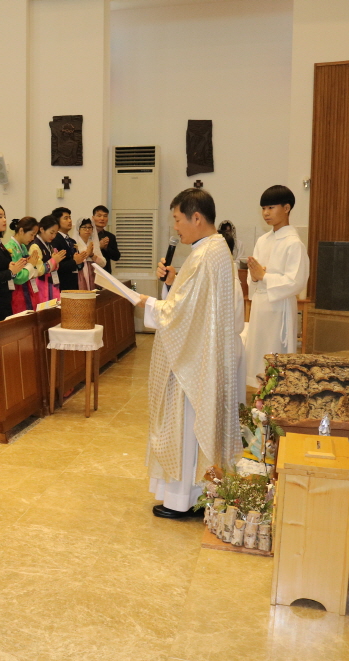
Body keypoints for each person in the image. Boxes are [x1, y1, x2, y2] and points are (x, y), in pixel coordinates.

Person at [136, 188, 243, 519]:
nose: (176, 228)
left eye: (178, 220)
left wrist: (147, 303)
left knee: (185, 423)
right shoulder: (213, 250)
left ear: (197, 218)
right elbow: (195, 303)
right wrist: (171, 282)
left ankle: (181, 499)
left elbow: (180, 313)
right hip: (202, 353)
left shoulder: (204, 254)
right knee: (194, 425)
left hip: (194, 360)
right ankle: (194, 494)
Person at [244, 185, 309, 387]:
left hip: (279, 308)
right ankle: (258, 398)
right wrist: (255, 278)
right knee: (256, 355)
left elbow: (296, 281)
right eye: (263, 208)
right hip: (260, 308)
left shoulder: (293, 243)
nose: (265, 213)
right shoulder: (263, 241)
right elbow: (252, 276)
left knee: (275, 356)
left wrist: (265, 277)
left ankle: (276, 398)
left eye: (271, 207)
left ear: (287, 208)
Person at [4, 216, 40, 313]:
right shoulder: (10, 248)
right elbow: (18, 278)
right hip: (17, 292)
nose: (32, 238)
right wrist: (31, 265)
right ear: (21, 231)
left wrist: (30, 263)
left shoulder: (23, 247)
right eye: (31, 234)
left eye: (34, 235)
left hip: (26, 290)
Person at [29, 215, 65, 303]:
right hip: (41, 286)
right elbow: (38, 270)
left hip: (50, 284)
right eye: (51, 232)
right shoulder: (35, 245)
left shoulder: (49, 244)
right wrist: (54, 260)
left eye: (56, 233)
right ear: (41, 229)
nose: (53, 236)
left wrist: (56, 260)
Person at [50, 206, 87, 291]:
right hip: (61, 284)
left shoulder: (72, 241)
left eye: (70, 218)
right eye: (66, 218)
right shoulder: (55, 239)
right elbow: (57, 265)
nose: (70, 221)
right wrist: (74, 261)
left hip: (73, 283)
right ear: (57, 221)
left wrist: (80, 261)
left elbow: (77, 265)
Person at [74, 218, 107, 289]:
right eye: (84, 227)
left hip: (93, 273)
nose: (87, 230)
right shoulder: (74, 242)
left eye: (89, 227)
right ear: (79, 229)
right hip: (80, 273)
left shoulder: (93, 243)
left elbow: (103, 263)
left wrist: (92, 255)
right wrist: (86, 254)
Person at [91, 205, 121, 273]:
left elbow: (116, 256)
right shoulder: (87, 234)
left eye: (105, 216)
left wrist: (106, 248)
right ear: (93, 218)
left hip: (105, 272)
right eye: (99, 216)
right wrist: (99, 246)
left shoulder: (110, 236)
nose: (102, 218)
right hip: (91, 271)